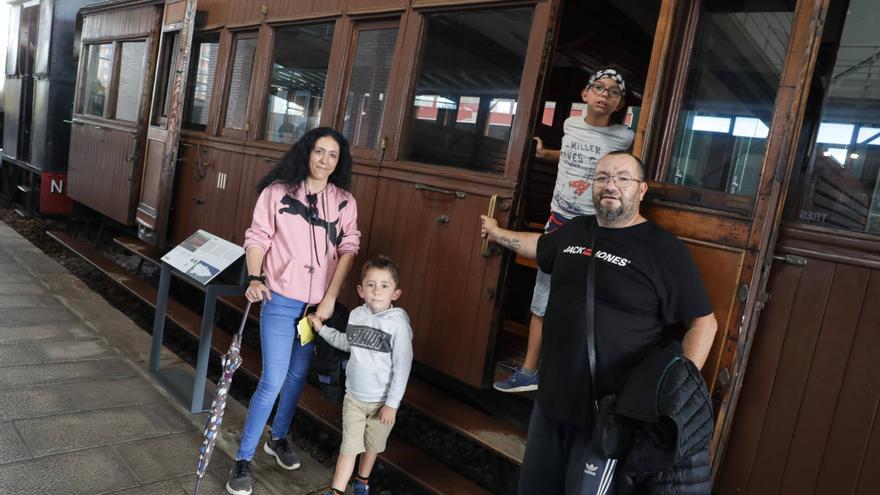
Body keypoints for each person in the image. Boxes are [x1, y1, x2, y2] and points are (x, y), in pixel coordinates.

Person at [480, 152, 717, 494]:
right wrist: (498, 233)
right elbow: (539, 246)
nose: (611, 185)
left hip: (608, 417)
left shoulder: (664, 249)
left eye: (623, 178)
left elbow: (704, 324)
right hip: (551, 402)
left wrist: (674, 397)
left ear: (641, 190)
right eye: (603, 177)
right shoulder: (576, 230)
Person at [226, 127, 361, 495]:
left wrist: (330, 299)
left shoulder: (344, 202)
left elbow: (348, 248)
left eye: (332, 155)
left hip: (315, 309)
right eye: (319, 152)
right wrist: (255, 276)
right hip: (280, 300)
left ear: (339, 162)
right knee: (273, 379)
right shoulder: (278, 192)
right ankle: (243, 459)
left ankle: (278, 437)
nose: (324, 160)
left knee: (298, 375)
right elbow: (257, 237)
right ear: (307, 153)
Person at [494, 68, 635, 393]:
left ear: (619, 104)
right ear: (585, 95)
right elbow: (572, 153)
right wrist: (547, 154)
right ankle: (529, 371)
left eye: (613, 91)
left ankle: (569, 377)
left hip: (591, 228)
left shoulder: (624, 138)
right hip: (557, 220)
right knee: (541, 297)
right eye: (598, 87)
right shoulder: (570, 125)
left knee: (580, 300)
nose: (604, 94)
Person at [308, 255, 413, 495]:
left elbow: (402, 367)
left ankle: (362, 481)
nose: (377, 291)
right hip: (354, 397)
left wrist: (392, 405)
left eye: (384, 285)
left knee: (372, 445)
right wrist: (322, 330)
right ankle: (336, 491)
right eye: (371, 285)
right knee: (349, 446)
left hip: (382, 402)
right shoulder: (356, 315)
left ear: (395, 293)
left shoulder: (398, 326)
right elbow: (348, 343)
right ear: (360, 290)